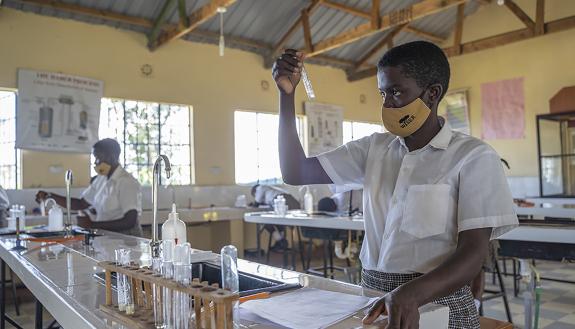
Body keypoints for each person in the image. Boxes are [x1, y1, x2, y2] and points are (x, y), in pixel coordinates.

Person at [272, 41, 518, 328]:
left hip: (438, 304)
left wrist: (411, 295)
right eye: (383, 93)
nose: (387, 104)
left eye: (397, 92)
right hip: (374, 298)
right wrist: (286, 97)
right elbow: (295, 172)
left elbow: (473, 255)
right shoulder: (374, 149)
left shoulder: (473, 157)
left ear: (432, 93)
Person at [36, 138, 143, 236]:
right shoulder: (101, 179)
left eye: (98, 158)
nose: (95, 163)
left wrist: (92, 224)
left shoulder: (126, 182)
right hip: (110, 237)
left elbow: (130, 221)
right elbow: (81, 203)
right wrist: (49, 196)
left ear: (112, 157)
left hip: (128, 238)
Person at [250, 184, 300, 251]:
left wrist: (252, 204)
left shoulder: (260, 187)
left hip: (283, 203)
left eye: (254, 195)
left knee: (264, 221)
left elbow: (256, 203)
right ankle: (281, 242)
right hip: (294, 204)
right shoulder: (272, 190)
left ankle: (280, 240)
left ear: (254, 191)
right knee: (278, 221)